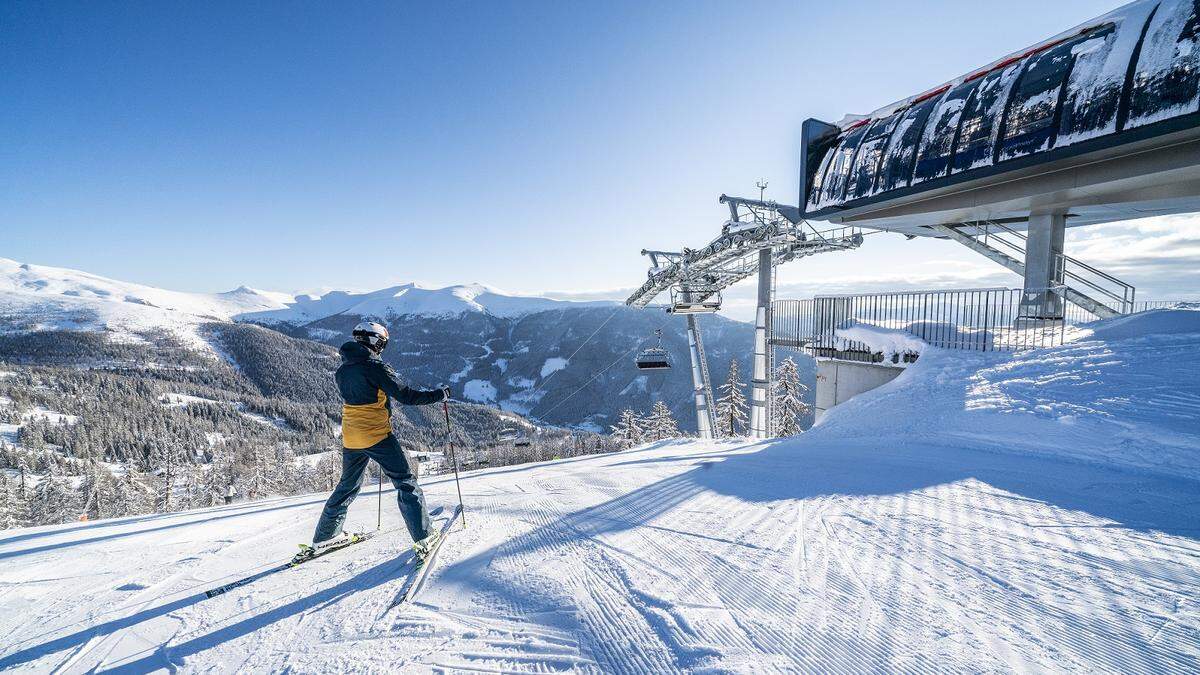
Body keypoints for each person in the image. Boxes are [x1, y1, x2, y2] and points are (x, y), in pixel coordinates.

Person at [311, 321, 449, 559]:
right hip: (377, 436)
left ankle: (325, 537)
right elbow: (406, 396)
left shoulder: (342, 370)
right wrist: (440, 394)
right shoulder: (375, 367)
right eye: (382, 343)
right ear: (375, 341)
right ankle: (424, 537)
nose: (382, 347)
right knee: (406, 482)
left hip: (351, 437)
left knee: (347, 486)